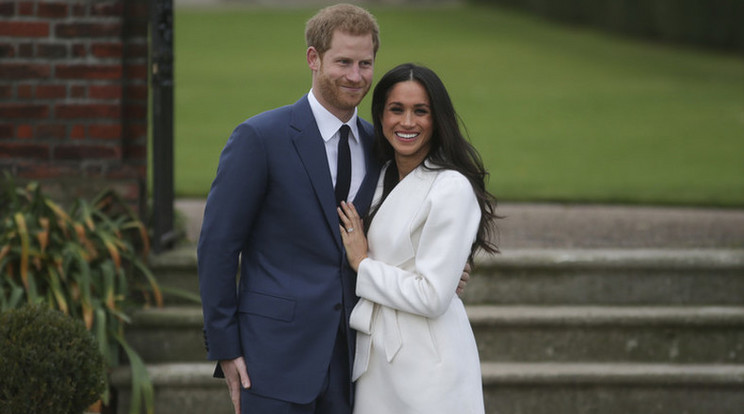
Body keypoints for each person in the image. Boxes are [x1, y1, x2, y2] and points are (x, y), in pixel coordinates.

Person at [197, 5, 469, 414]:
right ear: (313, 59)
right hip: (271, 360)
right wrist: (225, 346)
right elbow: (217, 247)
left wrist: (444, 269)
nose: (355, 76)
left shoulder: (383, 147)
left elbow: (406, 224)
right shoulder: (260, 138)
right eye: (343, 62)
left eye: (365, 63)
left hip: (356, 365)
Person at [337, 63, 500, 414]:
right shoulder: (377, 173)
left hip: (428, 365)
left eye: (420, 111)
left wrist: (363, 264)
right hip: (376, 359)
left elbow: (431, 296)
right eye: (397, 110)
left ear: (437, 119)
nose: (407, 123)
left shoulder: (451, 187)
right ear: (380, 116)